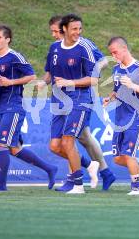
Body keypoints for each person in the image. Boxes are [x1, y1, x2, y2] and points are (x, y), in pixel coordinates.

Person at [40, 15, 116, 191]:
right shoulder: (55, 48)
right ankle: (98, 169)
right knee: (80, 139)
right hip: (60, 100)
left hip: (80, 97)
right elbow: (51, 71)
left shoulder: (84, 46)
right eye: (52, 31)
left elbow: (102, 62)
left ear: (62, 28)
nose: (54, 34)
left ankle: (76, 180)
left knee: (72, 141)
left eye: (56, 31)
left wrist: (75, 79)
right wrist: (44, 82)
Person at [0, 24, 57, 191]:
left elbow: (31, 75)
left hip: (14, 107)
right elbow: (2, 82)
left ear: (7, 39)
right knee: (14, 149)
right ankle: (50, 169)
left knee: (1, 143)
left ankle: (1, 186)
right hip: (3, 107)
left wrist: (11, 82)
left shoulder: (14, 56)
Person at [103, 36, 139, 195]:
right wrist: (110, 97)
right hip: (120, 119)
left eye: (115, 52)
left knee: (128, 154)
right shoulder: (116, 69)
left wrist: (132, 85)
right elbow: (117, 88)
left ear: (124, 49)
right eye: (111, 54)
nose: (114, 56)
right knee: (118, 159)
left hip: (136, 118)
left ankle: (136, 188)